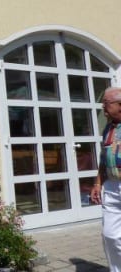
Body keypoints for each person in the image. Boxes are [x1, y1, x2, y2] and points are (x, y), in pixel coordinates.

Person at [92, 87, 121, 271]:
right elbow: (103, 159)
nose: (103, 107)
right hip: (111, 186)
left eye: (106, 103)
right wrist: (97, 183)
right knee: (110, 235)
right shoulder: (108, 129)